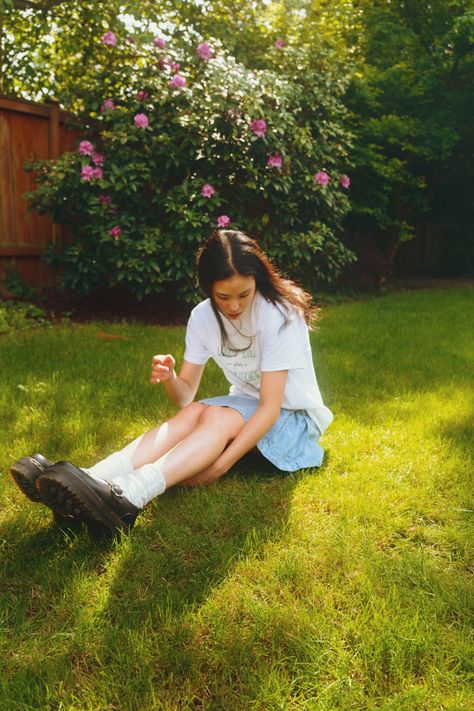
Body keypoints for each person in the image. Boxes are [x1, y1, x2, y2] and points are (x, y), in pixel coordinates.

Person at [9, 230, 333, 537]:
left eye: (244, 295)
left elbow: (270, 407)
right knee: (193, 413)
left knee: (216, 415)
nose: (234, 306)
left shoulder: (279, 315)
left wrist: (220, 465)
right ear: (208, 289)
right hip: (246, 407)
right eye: (223, 297)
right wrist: (171, 377)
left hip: (292, 419)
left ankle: (129, 497)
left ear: (257, 282)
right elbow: (185, 396)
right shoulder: (203, 317)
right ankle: (93, 479)